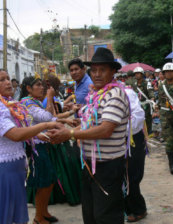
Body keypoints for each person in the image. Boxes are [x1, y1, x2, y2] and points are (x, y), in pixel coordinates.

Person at [48, 47, 130, 224]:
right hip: (90, 165)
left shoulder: (115, 95)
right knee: (91, 215)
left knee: (106, 216)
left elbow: (106, 129)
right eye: (94, 70)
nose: (97, 74)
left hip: (107, 166)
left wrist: (70, 133)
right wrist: (76, 125)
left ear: (113, 71)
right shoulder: (97, 93)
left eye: (103, 70)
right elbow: (93, 123)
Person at [0, 70, 60, 224]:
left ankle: (42, 214)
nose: (8, 82)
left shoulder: (8, 104)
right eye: (2, 80)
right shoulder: (5, 107)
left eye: (7, 78)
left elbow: (22, 128)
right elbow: (14, 134)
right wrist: (45, 126)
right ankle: (40, 216)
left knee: (15, 213)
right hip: (5, 169)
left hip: (16, 167)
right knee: (6, 213)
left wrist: (38, 135)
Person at [20, 76, 63, 224]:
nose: (42, 87)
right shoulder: (27, 103)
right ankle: (38, 217)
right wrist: (50, 98)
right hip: (36, 147)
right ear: (28, 89)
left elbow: (52, 120)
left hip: (43, 145)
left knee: (49, 180)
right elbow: (47, 117)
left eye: (42, 85)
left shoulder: (35, 102)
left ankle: (44, 212)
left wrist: (66, 120)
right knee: (43, 182)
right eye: (38, 85)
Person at [42, 75, 82, 206]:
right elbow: (52, 117)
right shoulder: (46, 100)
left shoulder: (52, 98)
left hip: (58, 132)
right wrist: (70, 114)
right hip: (53, 135)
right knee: (61, 168)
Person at [124, 88, 147, 222]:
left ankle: (138, 209)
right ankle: (126, 208)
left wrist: (115, 127)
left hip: (131, 139)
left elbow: (137, 117)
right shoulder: (96, 93)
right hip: (114, 139)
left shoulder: (127, 92)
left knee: (132, 176)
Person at [158, 63, 173, 175]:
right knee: (170, 140)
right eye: (166, 72)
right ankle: (172, 163)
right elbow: (161, 100)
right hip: (165, 116)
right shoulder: (161, 86)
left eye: (170, 71)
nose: (168, 73)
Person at [132, 66, 154, 134]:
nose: (137, 75)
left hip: (146, 105)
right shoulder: (134, 84)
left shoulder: (147, 83)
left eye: (138, 73)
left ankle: (148, 133)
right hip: (137, 105)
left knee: (147, 120)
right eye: (136, 74)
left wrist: (152, 100)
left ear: (142, 74)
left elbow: (151, 93)